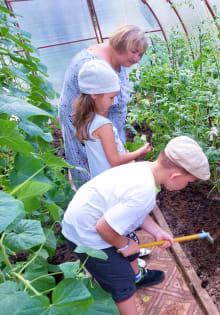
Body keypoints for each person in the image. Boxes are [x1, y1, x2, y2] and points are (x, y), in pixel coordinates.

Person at [61, 136, 210, 315]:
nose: (186, 185)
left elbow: (134, 212)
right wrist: (123, 245)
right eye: (188, 182)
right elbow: (104, 228)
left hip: (82, 220)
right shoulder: (144, 191)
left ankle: (137, 277)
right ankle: (128, 289)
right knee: (122, 281)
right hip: (85, 237)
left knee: (131, 240)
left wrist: (157, 231)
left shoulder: (144, 169)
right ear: (176, 175)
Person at [59, 24, 148, 187]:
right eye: (134, 52)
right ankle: (86, 192)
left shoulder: (119, 61)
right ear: (120, 45)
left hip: (107, 127)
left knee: (105, 164)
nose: (136, 59)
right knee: (89, 163)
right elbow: (112, 157)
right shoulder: (91, 65)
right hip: (86, 122)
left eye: (140, 54)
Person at [72, 59, 150, 179]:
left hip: (100, 179)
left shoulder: (87, 119)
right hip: (113, 180)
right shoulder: (103, 125)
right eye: (111, 97)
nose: (113, 102)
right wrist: (140, 152)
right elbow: (115, 160)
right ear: (94, 95)